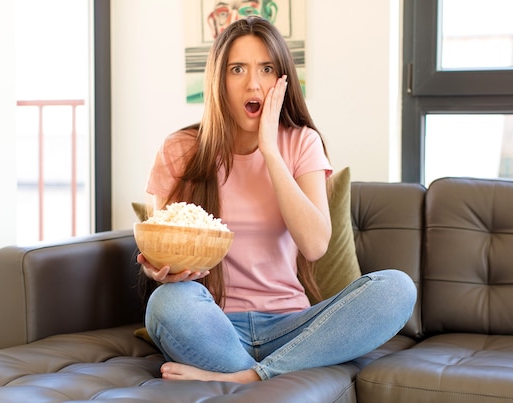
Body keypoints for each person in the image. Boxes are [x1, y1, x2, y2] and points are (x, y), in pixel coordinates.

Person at [138, 16, 416, 384]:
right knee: (166, 303)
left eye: (266, 69)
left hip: (294, 326)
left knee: (397, 288)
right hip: (214, 323)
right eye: (237, 69)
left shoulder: (301, 143)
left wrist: (270, 149)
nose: (253, 83)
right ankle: (264, 374)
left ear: (281, 79)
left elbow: (315, 245)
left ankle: (248, 379)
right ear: (219, 80)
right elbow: (162, 243)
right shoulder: (180, 149)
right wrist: (157, 268)